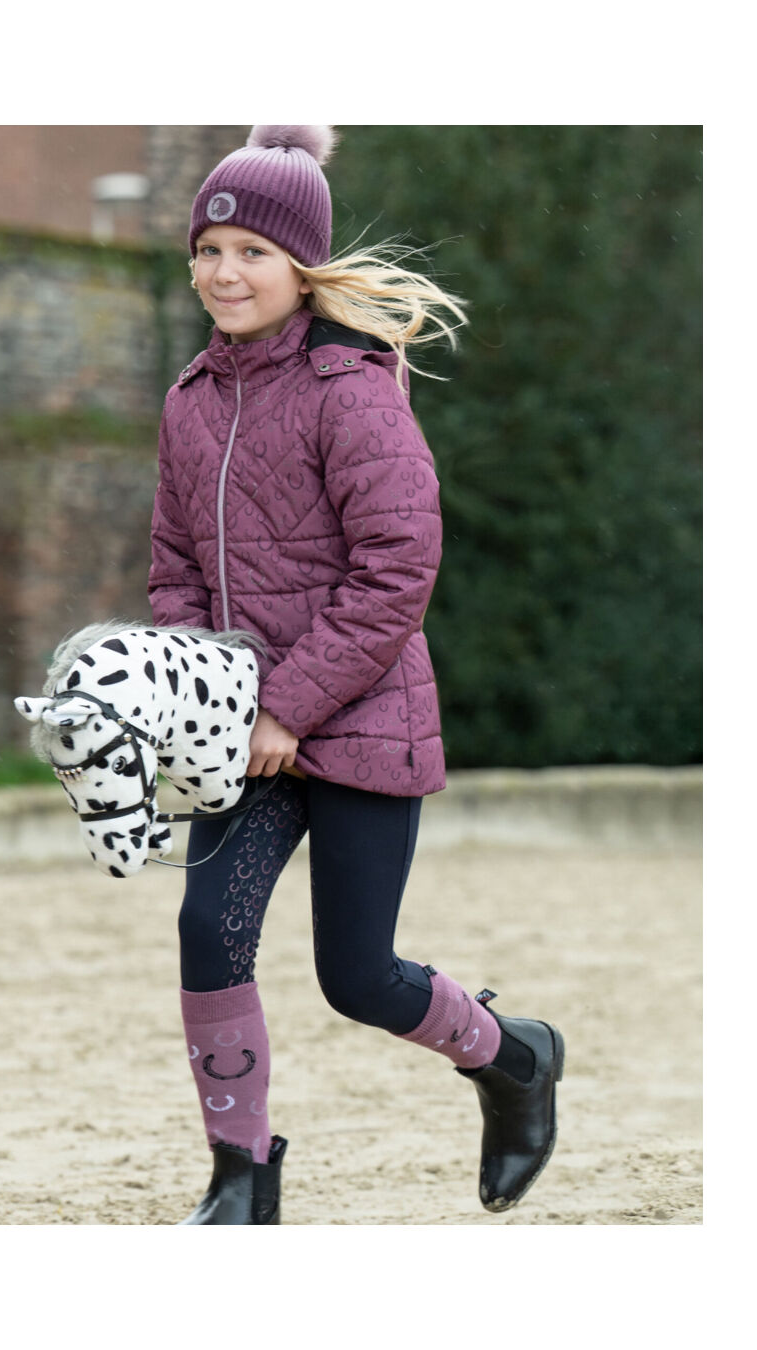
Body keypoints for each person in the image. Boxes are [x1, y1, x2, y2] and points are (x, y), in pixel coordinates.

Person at [147, 125, 563, 1225]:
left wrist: (289, 705)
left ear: (302, 267)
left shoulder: (352, 388)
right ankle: (241, 1181)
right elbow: (175, 566)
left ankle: (515, 1059)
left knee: (358, 977)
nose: (224, 273)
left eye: (252, 253)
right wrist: (201, 697)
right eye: (208, 251)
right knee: (207, 932)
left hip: (362, 720)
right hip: (243, 737)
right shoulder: (190, 399)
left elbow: (398, 568)